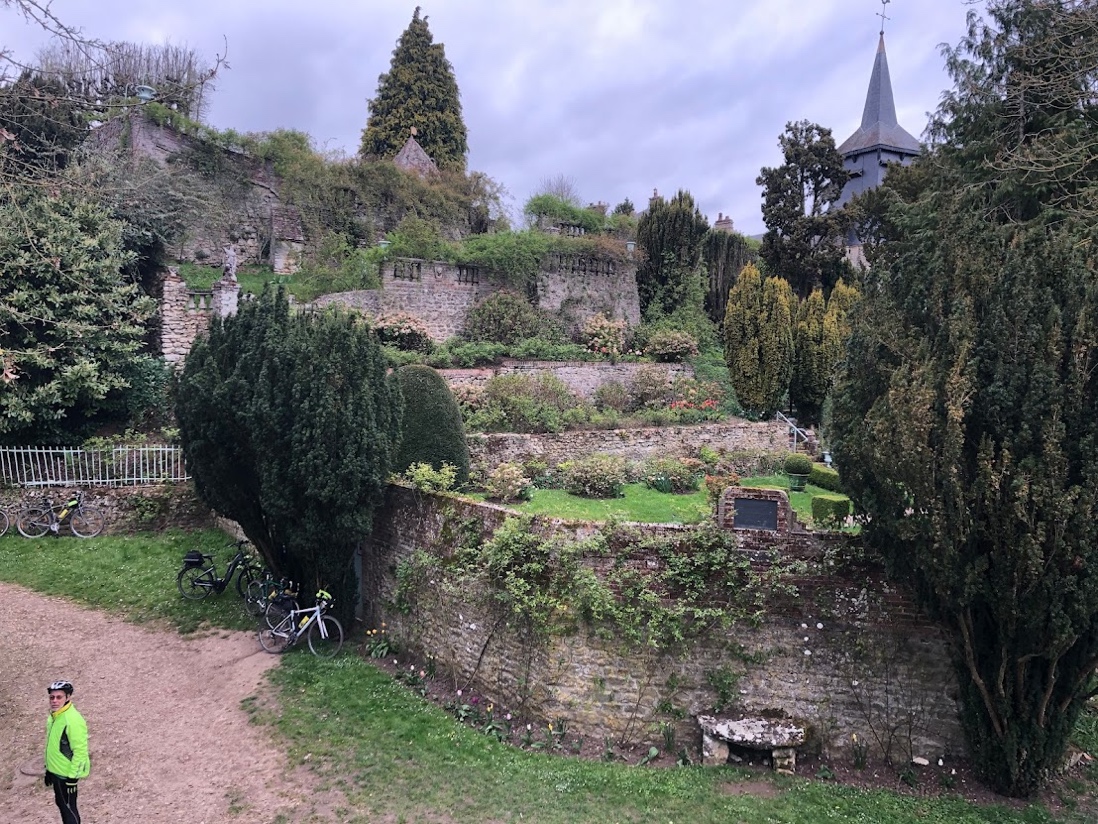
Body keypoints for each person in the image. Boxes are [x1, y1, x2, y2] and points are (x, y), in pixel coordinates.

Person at [44, 680, 90, 824]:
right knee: (62, 806)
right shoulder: (54, 717)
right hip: (56, 772)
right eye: (52, 697)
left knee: (69, 810)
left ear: (68, 697)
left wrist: (73, 779)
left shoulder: (73, 720)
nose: (55, 701)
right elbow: (54, 746)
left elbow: (80, 751)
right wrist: (49, 770)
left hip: (66, 775)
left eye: (59, 697)